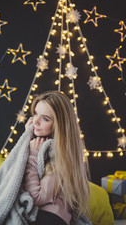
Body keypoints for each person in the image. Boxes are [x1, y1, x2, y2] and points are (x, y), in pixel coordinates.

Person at [23, 90, 90, 225]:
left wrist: (33, 156)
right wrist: (26, 138)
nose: (35, 121)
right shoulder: (40, 143)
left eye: (45, 118)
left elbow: (36, 197)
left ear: (59, 125)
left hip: (51, 217)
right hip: (39, 212)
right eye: (36, 113)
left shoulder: (61, 156)